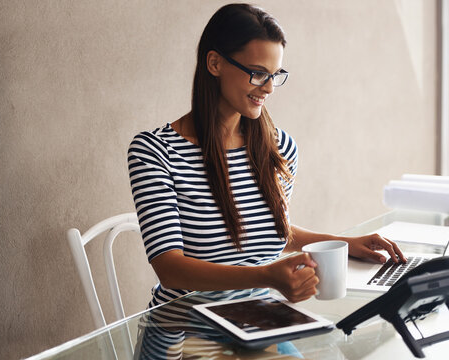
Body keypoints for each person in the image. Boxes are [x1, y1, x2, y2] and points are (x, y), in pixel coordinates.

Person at [128, 3, 406, 310]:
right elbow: (170, 270)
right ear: (215, 63)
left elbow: (268, 231)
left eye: (275, 75)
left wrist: (344, 244)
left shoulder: (279, 148)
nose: (270, 88)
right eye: (258, 74)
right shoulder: (155, 152)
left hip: (259, 321)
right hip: (182, 329)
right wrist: (265, 276)